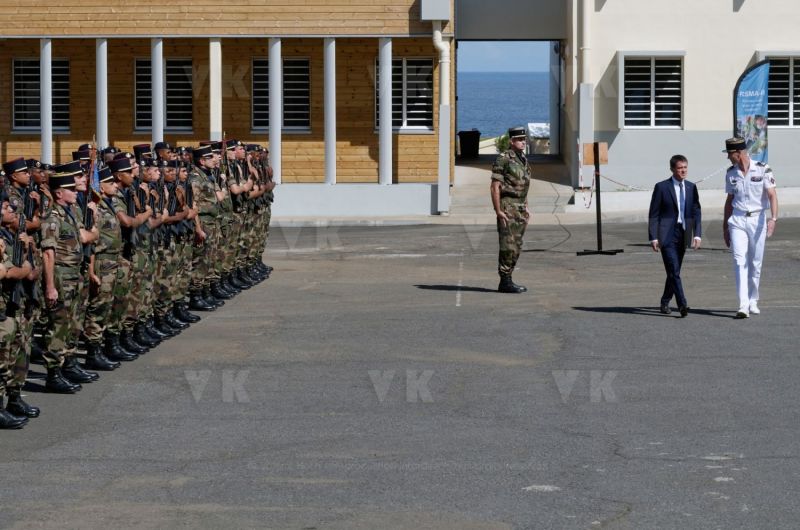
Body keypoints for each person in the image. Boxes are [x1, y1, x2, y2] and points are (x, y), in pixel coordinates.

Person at [722, 137, 779, 319]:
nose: (728, 158)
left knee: (755, 262)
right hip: (737, 219)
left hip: (757, 219)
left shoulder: (763, 168)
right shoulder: (731, 173)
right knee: (739, 261)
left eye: (729, 154)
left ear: (738, 154)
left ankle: (753, 299)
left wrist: (773, 219)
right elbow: (730, 200)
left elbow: (772, 195)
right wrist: (725, 225)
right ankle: (743, 304)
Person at [648, 155, 702, 317]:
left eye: (685, 167)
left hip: (683, 233)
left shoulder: (691, 187)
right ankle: (682, 304)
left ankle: (665, 302)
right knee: (674, 270)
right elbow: (654, 214)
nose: (683, 170)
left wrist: (697, 234)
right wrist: (653, 237)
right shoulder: (662, 187)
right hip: (666, 235)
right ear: (672, 169)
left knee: (674, 271)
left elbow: (696, 211)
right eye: (679, 168)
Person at [490, 126, 531, 293]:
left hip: (520, 207)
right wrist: (498, 211)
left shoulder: (523, 159)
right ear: (512, 141)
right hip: (508, 207)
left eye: (524, 139)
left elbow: (523, 186)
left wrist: (526, 206)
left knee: (517, 245)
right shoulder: (503, 159)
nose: (523, 142)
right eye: (520, 139)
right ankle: (505, 280)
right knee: (508, 245)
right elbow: (495, 187)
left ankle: (509, 278)